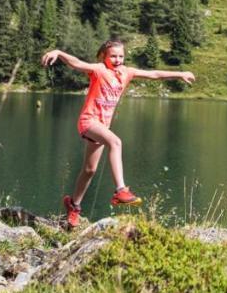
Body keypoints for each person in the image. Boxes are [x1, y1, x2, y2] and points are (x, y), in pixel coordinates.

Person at [41, 39, 195, 228]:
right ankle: (121, 190)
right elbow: (78, 64)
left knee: (90, 170)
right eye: (113, 56)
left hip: (102, 126)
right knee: (115, 142)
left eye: (121, 56)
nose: (117, 59)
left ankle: (74, 206)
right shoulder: (99, 70)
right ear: (103, 57)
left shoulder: (126, 73)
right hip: (89, 121)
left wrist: (180, 74)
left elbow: (154, 74)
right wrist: (59, 52)